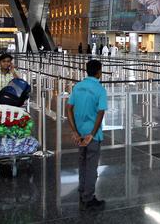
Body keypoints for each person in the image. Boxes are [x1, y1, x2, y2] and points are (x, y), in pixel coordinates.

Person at [66, 59, 107, 211]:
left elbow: (69, 108)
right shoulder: (100, 90)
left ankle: (82, 191)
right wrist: (92, 134)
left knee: (82, 163)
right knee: (91, 167)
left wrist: (75, 131)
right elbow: (100, 113)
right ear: (98, 72)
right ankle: (88, 198)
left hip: (79, 133)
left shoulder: (78, 86)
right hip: (92, 136)